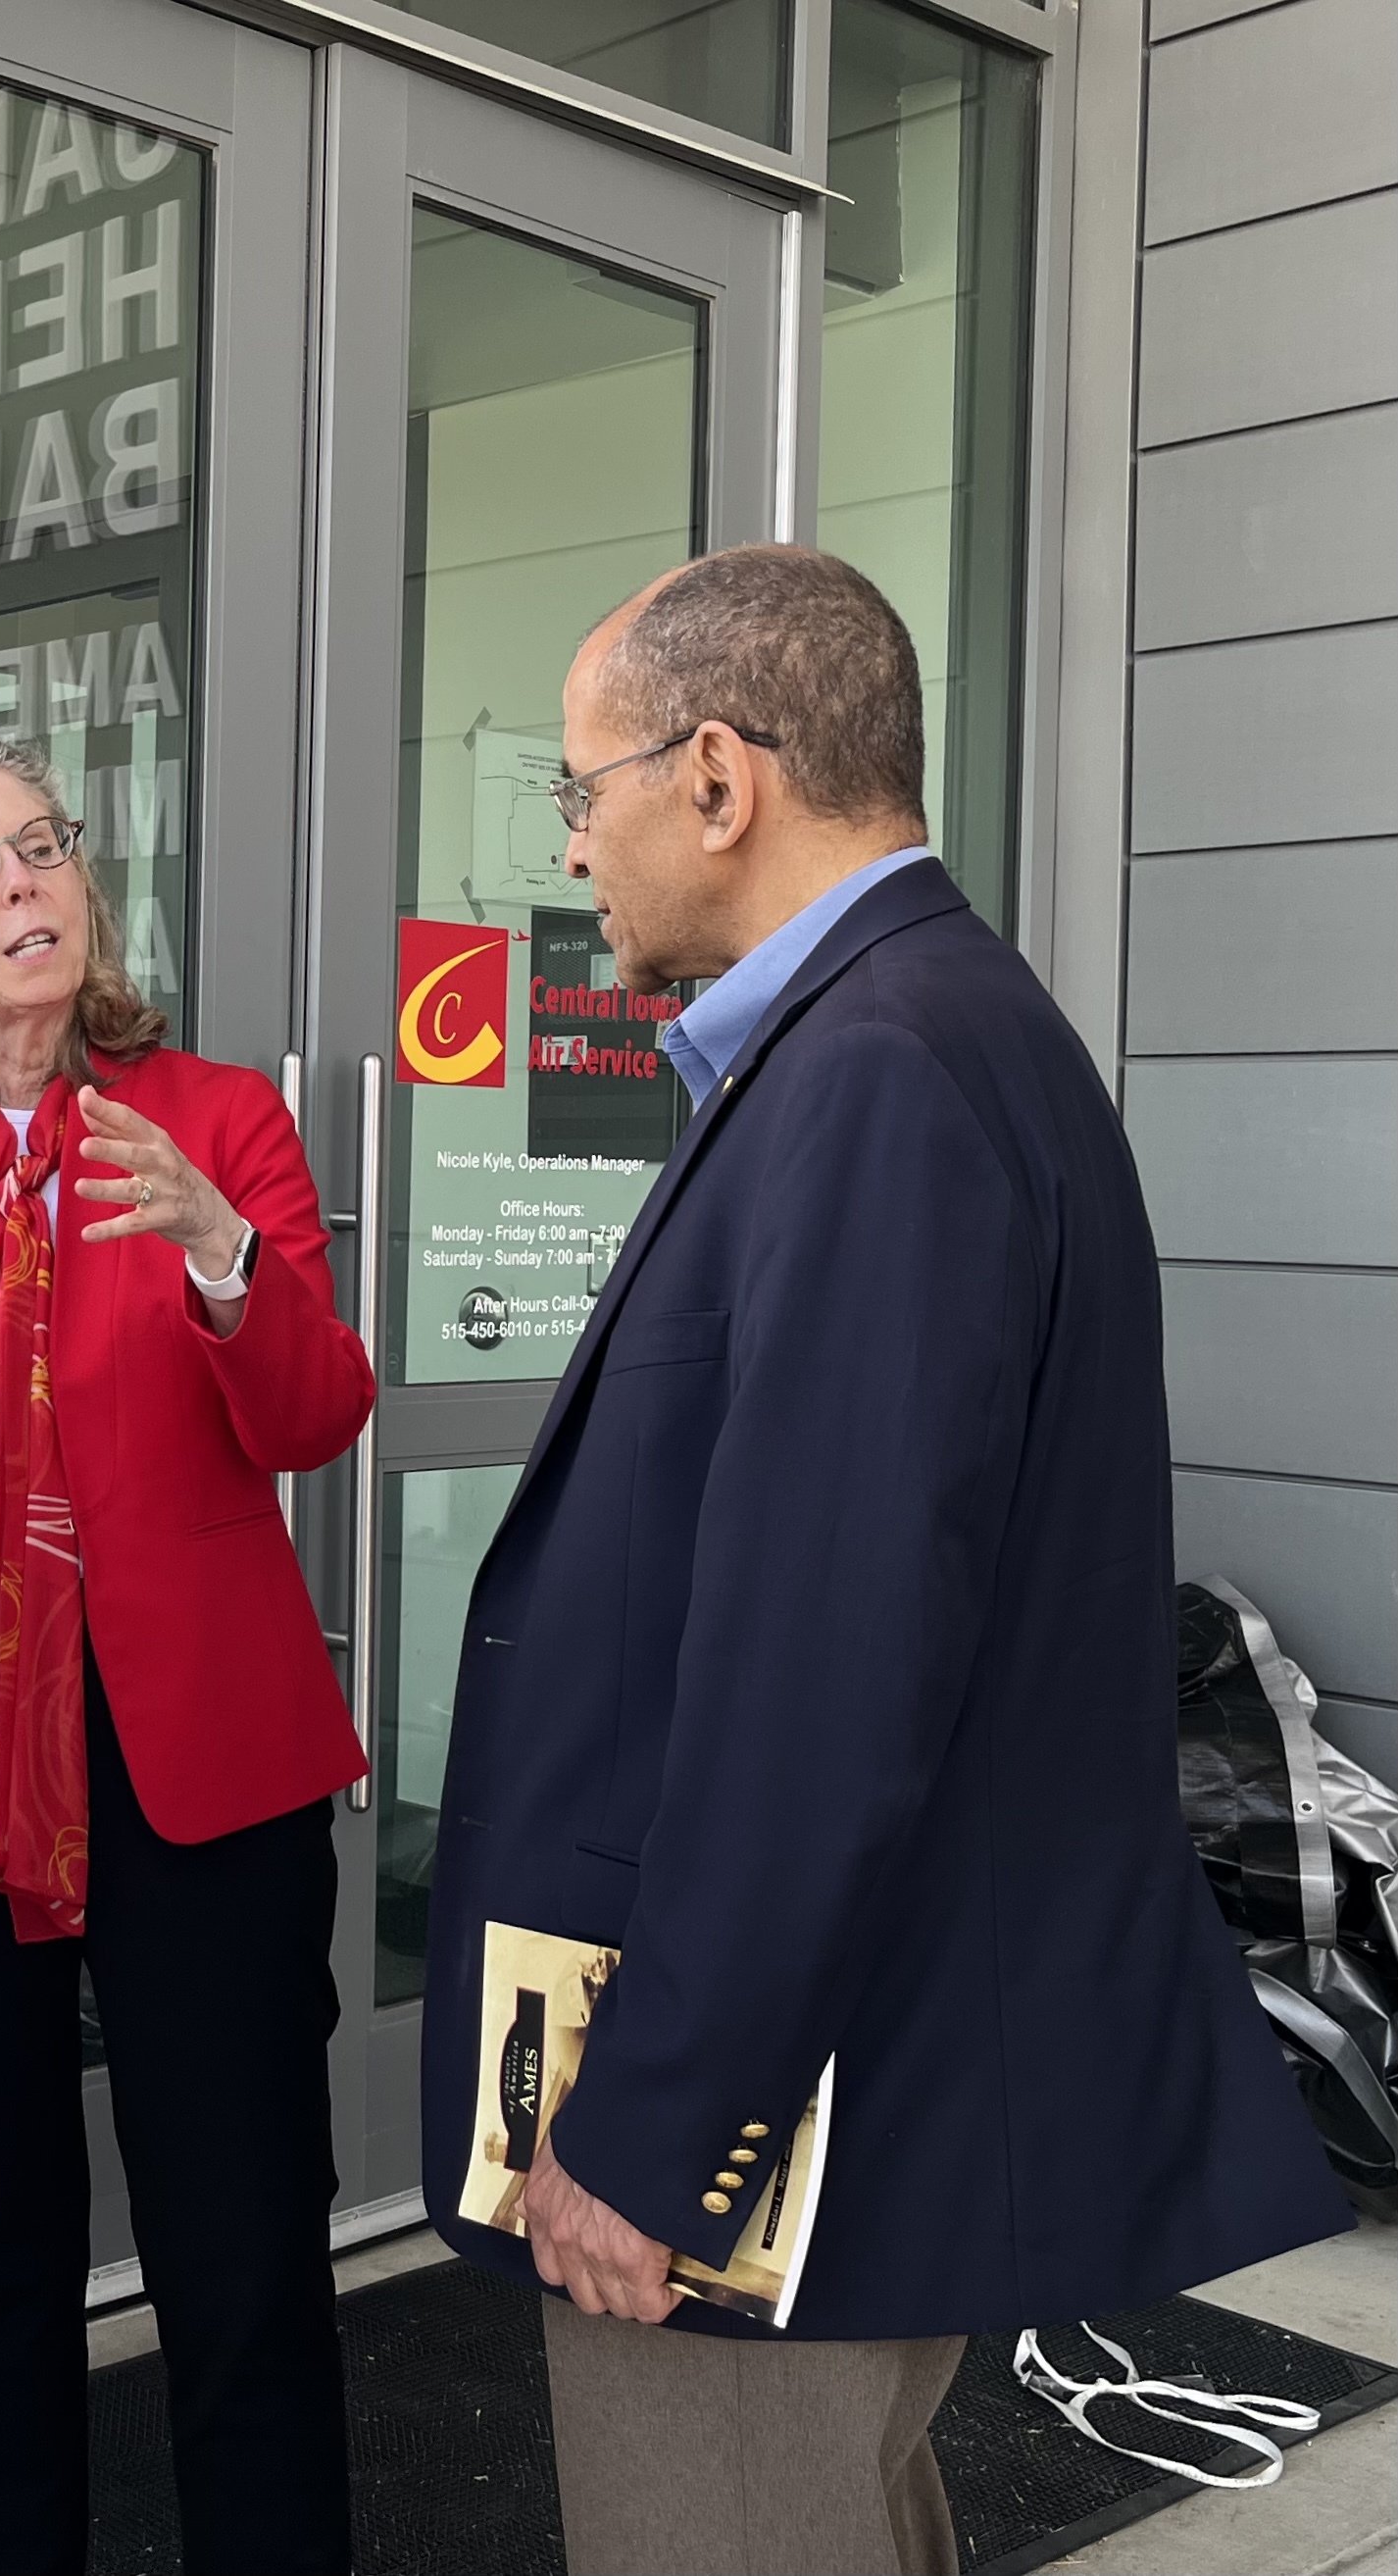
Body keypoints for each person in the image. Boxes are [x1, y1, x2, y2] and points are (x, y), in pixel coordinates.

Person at [420, 545, 1349, 2576]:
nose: (568, 843)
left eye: (580, 792)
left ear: (718, 778)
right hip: (831, 2045)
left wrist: (654, 2131)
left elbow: (817, 1681)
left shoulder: (875, 1080)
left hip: (781, 2095)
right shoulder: (901, 1036)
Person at [0, 731, 374, 2576]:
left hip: (194, 1763)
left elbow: (315, 1415)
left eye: (41, 847)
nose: (24, 884)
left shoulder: (211, 1121)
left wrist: (221, 1262)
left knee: (243, 2259)